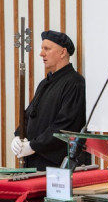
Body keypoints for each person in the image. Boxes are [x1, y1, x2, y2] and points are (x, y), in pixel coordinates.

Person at [12, 30, 87, 170]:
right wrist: (18, 136)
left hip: (56, 166)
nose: (41, 53)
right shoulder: (44, 83)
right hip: (35, 161)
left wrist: (33, 146)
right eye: (41, 48)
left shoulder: (75, 84)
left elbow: (65, 125)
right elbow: (29, 115)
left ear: (63, 52)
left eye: (46, 49)